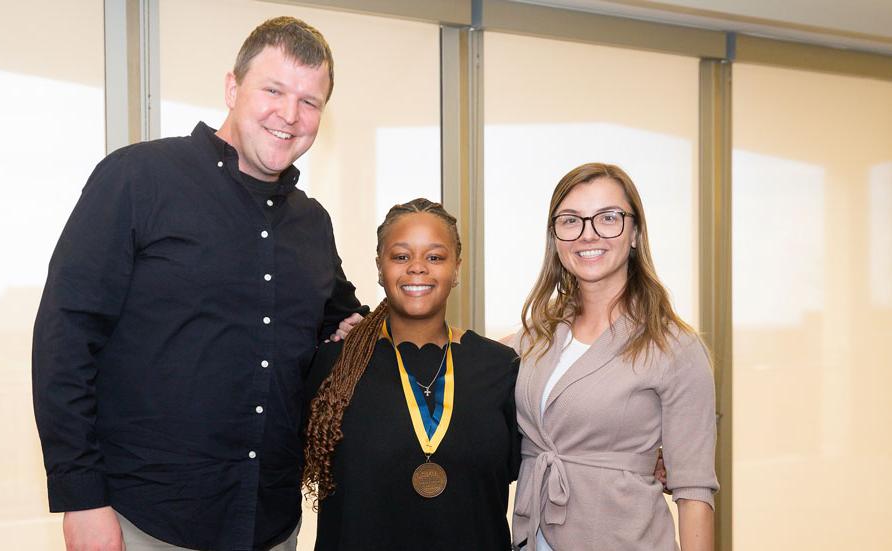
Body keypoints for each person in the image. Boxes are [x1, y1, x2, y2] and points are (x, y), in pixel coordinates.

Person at [32, 17, 364, 551]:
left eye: (310, 101)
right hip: (142, 522)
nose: (290, 114)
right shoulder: (137, 179)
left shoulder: (313, 223)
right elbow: (65, 339)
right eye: (273, 90)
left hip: (271, 524)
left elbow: (344, 321)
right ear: (233, 88)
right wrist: (81, 498)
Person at [510, 163, 718, 551]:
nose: (588, 234)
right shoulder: (536, 337)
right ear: (555, 236)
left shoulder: (676, 348)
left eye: (608, 218)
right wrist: (365, 329)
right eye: (571, 220)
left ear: (636, 232)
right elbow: (461, 355)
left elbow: (694, 494)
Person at [302, 199, 520, 550]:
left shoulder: (500, 368)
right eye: (401, 256)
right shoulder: (334, 366)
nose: (417, 268)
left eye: (435, 257)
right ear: (379, 267)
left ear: (457, 268)